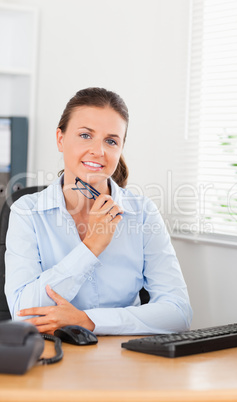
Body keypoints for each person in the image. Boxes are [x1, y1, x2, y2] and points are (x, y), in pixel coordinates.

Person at [5, 87, 192, 335]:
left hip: (126, 358)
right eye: (85, 135)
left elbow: (178, 313)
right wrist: (91, 247)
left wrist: (88, 321)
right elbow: (23, 312)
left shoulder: (143, 212)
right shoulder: (26, 212)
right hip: (55, 358)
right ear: (60, 139)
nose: (98, 151)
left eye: (111, 141)